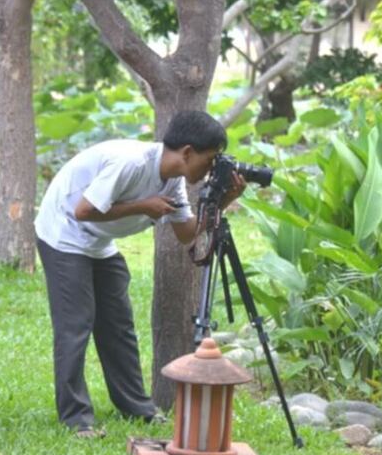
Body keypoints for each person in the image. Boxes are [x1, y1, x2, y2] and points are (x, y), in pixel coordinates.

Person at [34, 110, 246, 438]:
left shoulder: (173, 178)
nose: (210, 169)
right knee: (75, 325)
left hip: (99, 242)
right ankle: (76, 418)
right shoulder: (131, 163)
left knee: (119, 325)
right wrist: (142, 206)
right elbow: (83, 211)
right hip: (64, 231)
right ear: (187, 152)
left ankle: (137, 406)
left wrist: (225, 199)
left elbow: (187, 233)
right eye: (209, 159)